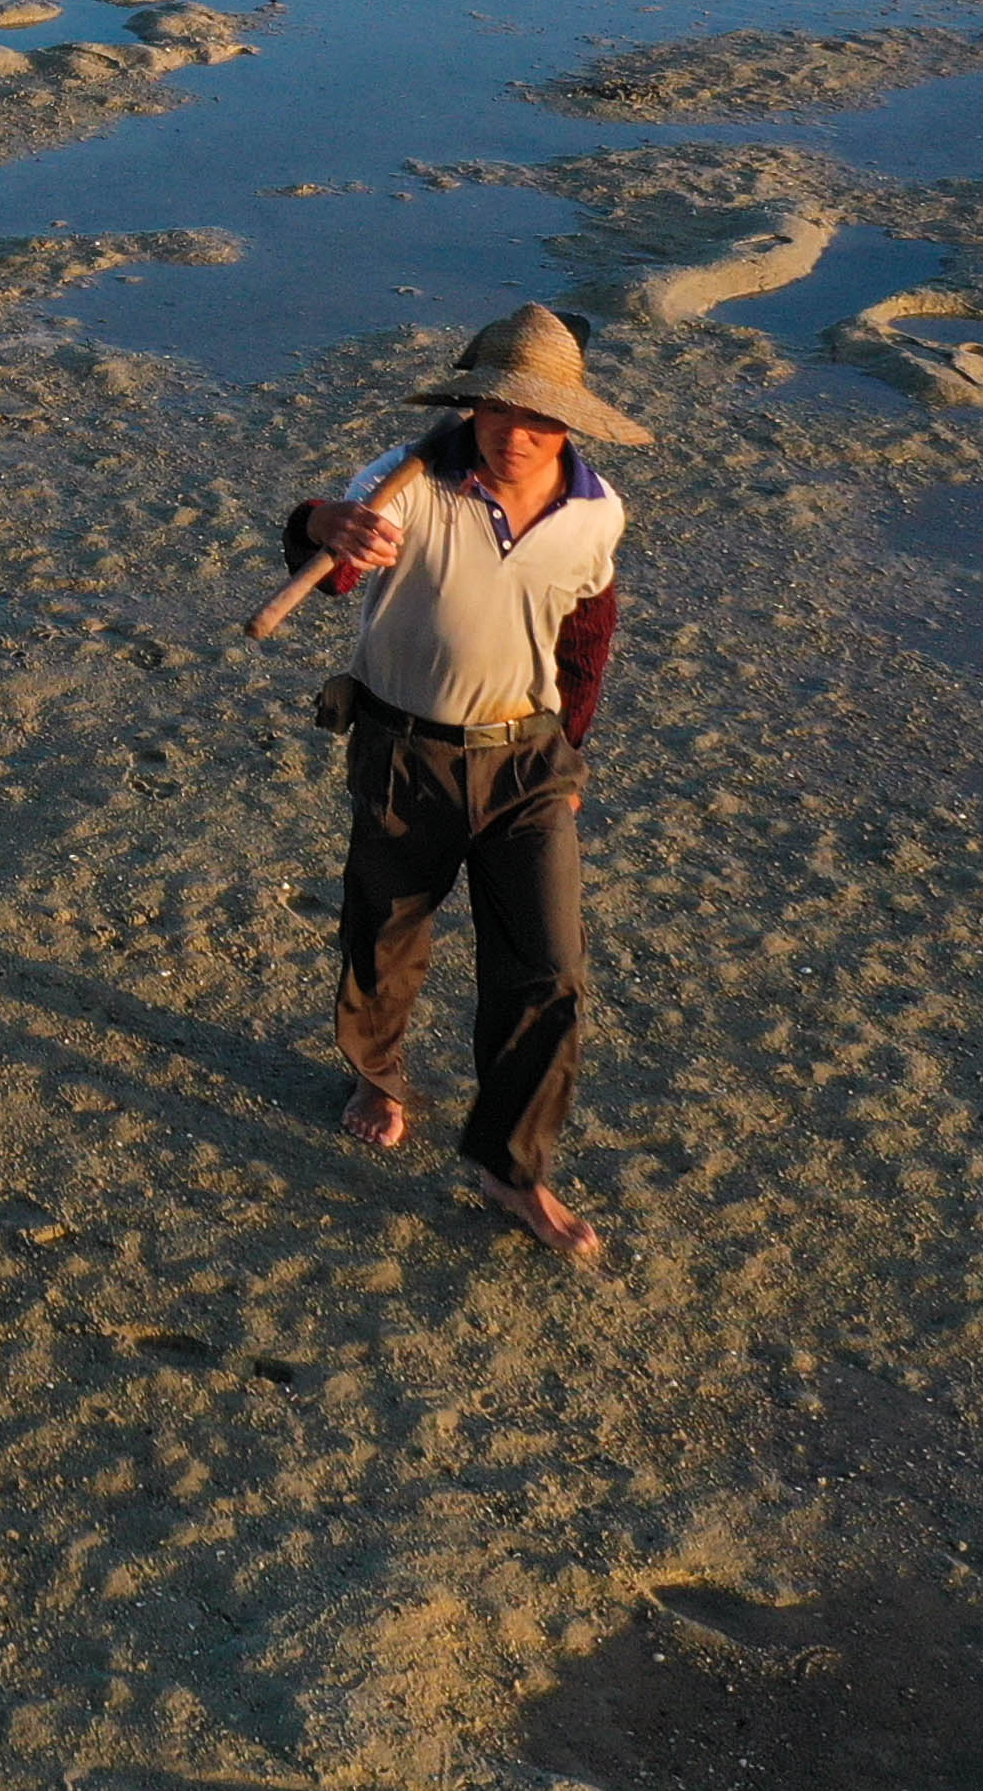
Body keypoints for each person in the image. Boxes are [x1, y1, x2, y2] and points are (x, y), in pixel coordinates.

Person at [280, 304, 643, 1264]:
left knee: (549, 968)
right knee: (386, 933)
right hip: (404, 751)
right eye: (494, 411)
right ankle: (379, 1077)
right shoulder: (405, 484)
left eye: (536, 419)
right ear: (470, 406)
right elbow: (332, 567)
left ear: (571, 423)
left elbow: (587, 639)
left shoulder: (597, 514)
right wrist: (326, 524)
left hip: (527, 760)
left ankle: (512, 1170)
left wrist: (571, 756)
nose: (512, 435)